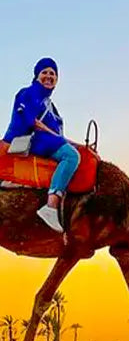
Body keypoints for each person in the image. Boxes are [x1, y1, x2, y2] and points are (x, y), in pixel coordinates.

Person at [2, 58, 80, 232]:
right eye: (44, 72)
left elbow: (59, 136)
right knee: (71, 156)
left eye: (53, 73)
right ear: (37, 75)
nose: (49, 76)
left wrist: (80, 145)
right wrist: (68, 145)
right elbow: (33, 122)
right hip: (28, 140)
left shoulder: (51, 107)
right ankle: (51, 206)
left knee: (77, 153)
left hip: (44, 140)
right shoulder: (27, 93)